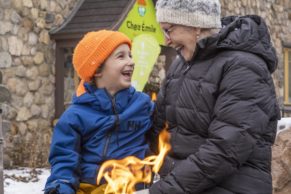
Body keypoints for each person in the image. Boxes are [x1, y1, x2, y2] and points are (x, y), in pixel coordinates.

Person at [147, 0, 281, 193]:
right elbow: (158, 130)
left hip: (231, 185)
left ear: (196, 25)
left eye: (169, 30)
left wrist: (166, 189)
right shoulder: (181, 64)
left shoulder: (244, 66)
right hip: (185, 184)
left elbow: (226, 149)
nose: (166, 39)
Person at [44, 30, 154, 194]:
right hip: (91, 186)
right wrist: (61, 187)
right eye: (121, 56)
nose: (131, 62)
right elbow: (64, 158)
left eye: (130, 55)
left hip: (134, 187)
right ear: (97, 70)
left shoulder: (143, 105)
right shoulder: (75, 116)